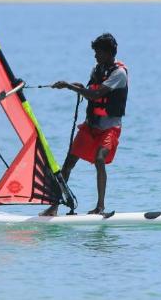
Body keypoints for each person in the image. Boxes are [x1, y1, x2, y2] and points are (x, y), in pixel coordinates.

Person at [40, 33, 128, 216]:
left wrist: (69, 87)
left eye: (98, 52)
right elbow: (90, 90)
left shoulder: (119, 73)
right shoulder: (97, 69)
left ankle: (100, 207)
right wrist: (78, 86)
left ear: (108, 53)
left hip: (110, 127)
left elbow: (96, 95)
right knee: (68, 163)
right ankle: (54, 206)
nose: (95, 56)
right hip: (91, 125)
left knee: (99, 159)